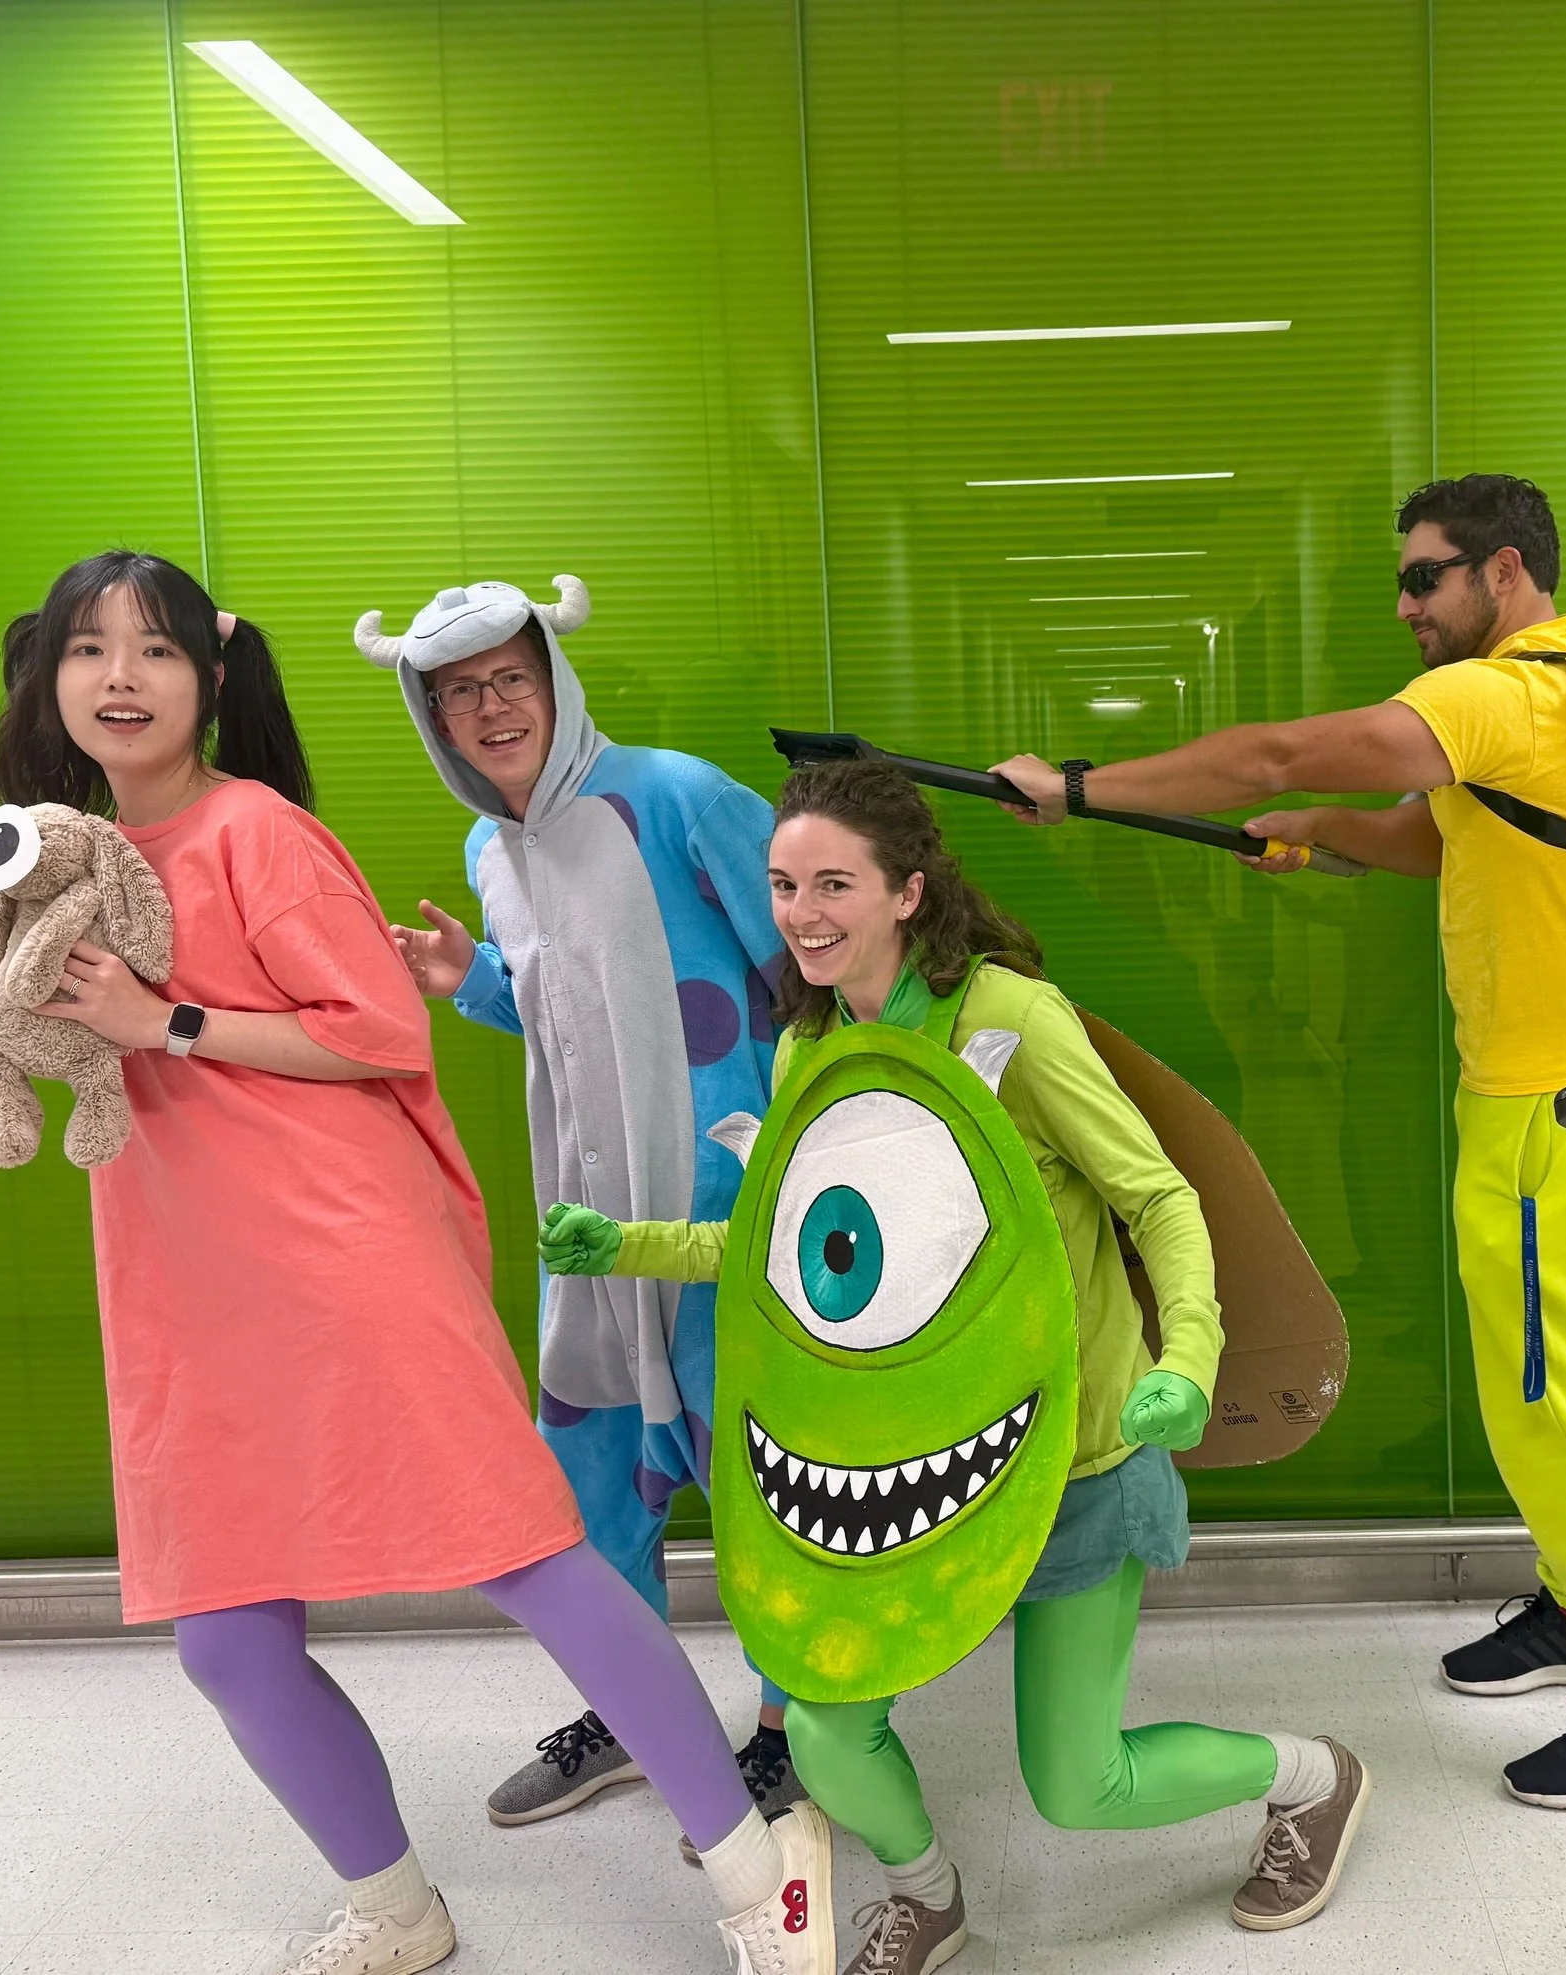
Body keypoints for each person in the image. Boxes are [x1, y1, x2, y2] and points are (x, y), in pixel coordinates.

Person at [0, 551, 834, 1975]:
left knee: (531, 1556)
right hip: (187, 1281)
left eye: (155, 649)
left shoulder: (257, 830)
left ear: (212, 677)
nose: (121, 677)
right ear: (48, 677)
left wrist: (162, 1021)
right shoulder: (77, 854)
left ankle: (764, 1878)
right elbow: (91, 1032)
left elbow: (375, 1026)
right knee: (225, 1637)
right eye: (89, 649)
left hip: (344, 1256)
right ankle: (398, 1907)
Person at [541, 760, 1372, 1974]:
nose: (803, 913)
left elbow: (1157, 1198)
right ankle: (925, 1896)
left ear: (908, 891)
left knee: (1080, 1784)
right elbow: (797, 1251)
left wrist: (1189, 1356)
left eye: (834, 883)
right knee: (823, 1725)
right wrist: (629, 1246)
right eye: (783, 885)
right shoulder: (811, 1049)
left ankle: (1311, 1777)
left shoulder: (1010, 1019)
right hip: (906, 1472)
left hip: (1075, 1454)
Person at [988, 476, 1566, 1810]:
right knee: (1536, 1383)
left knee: (1551, 1402)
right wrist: (1325, 834)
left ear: (1504, 572)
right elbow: (1450, 844)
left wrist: (1076, 788)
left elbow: (1275, 753)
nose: (1404, 604)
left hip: (1558, 1109)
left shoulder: (1501, 694)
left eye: (1424, 575)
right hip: (1550, 1090)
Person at [356, 577, 801, 1834]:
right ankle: (633, 1715)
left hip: (723, 1210)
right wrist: (472, 978)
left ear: (554, 678)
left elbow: (811, 959)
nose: (491, 708)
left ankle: (794, 1731)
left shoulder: (680, 795)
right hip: (589, 1226)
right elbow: (567, 1015)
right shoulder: (487, 850)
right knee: (589, 1484)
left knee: (762, 1480)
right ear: (432, 717)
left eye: (510, 677)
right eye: (459, 693)